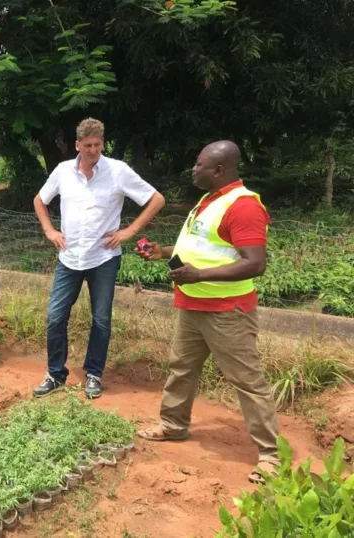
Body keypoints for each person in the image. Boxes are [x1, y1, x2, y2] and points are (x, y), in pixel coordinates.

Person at [135, 140, 279, 484]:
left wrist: (199, 275)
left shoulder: (243, 207)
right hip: (193, 304)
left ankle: (271, 455)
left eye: (200, 165)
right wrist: (164, 251)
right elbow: (199, 246)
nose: (193, 170)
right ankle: (173, 425)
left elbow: (255, 264)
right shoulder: (209, 200)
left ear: (219, 170)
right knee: (181, 367)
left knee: (247, 380)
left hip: (226, 310)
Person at [32, 118, 166, 399]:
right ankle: (55, 374)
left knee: (101, 320)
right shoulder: (62, 171)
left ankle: (93, 374)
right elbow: (39, 200)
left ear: (102, 143)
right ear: (77, 145)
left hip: (104, 258)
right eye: (87, 145)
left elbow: (156, 199)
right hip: (69, 258)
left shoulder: (118, 171)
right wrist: (49, 230)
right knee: (55, 317)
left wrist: (130, 230)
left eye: (97, 144)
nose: (93, 150)